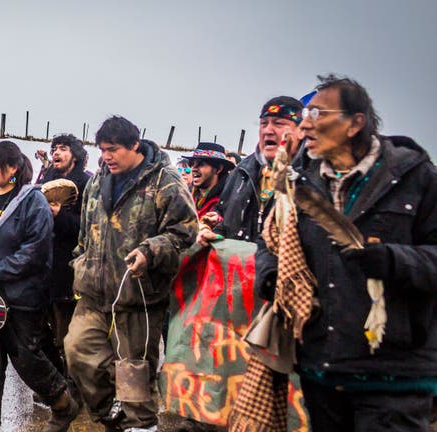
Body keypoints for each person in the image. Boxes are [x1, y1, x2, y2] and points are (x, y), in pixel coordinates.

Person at [255, 75, 437, 431]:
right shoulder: (300, 179)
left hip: (392, 373)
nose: (305, 124)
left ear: (355, 123)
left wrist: (393, 260)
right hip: (322, 366)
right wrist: (273, 276)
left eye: (319, 113)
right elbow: (271, 238)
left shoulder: (414, 176)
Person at [64, 116, 198, 432]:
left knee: (133, 371)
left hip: (138, 294)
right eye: (102, 150)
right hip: (94, 292)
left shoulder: (164, 180)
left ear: (134, 146)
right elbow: (86, 232)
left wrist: (150, 251)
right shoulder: (98, 181)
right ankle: (109, 410)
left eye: (113, 150)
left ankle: (142, 424)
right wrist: (80, 261)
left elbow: (185, 230)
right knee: (77, 351)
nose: (106, 156)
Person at [0, 140, 79, 432]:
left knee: (27, 360)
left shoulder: (33, 201)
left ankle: (63, 402)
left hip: (22, 299)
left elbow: (36, 250)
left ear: (13, 168)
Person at [204, 96, 304, 245]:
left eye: (279, 123)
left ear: (301, 130)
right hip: (238, 266)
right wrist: (210, 227)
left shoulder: (312, 176)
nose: (268, 130)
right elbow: (222, 215)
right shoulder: (243, 172)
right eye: (263, 124)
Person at [35, 134, 92, 383]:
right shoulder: (46, 180)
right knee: (43, 328)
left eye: (63, 149)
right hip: (43, 266)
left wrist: (60, 215)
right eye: (54, 148)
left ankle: (72, 384)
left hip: (69, 269)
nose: (57, 153)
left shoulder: (87, 184)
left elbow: (88, 228)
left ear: (76, 155)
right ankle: (55, 378)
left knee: (68, 332)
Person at [186, 142, 234, 219]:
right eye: (192, 164)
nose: (193, 168)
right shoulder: (186, 197)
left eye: (201, 164)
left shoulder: (229, 202)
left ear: (218, 169)